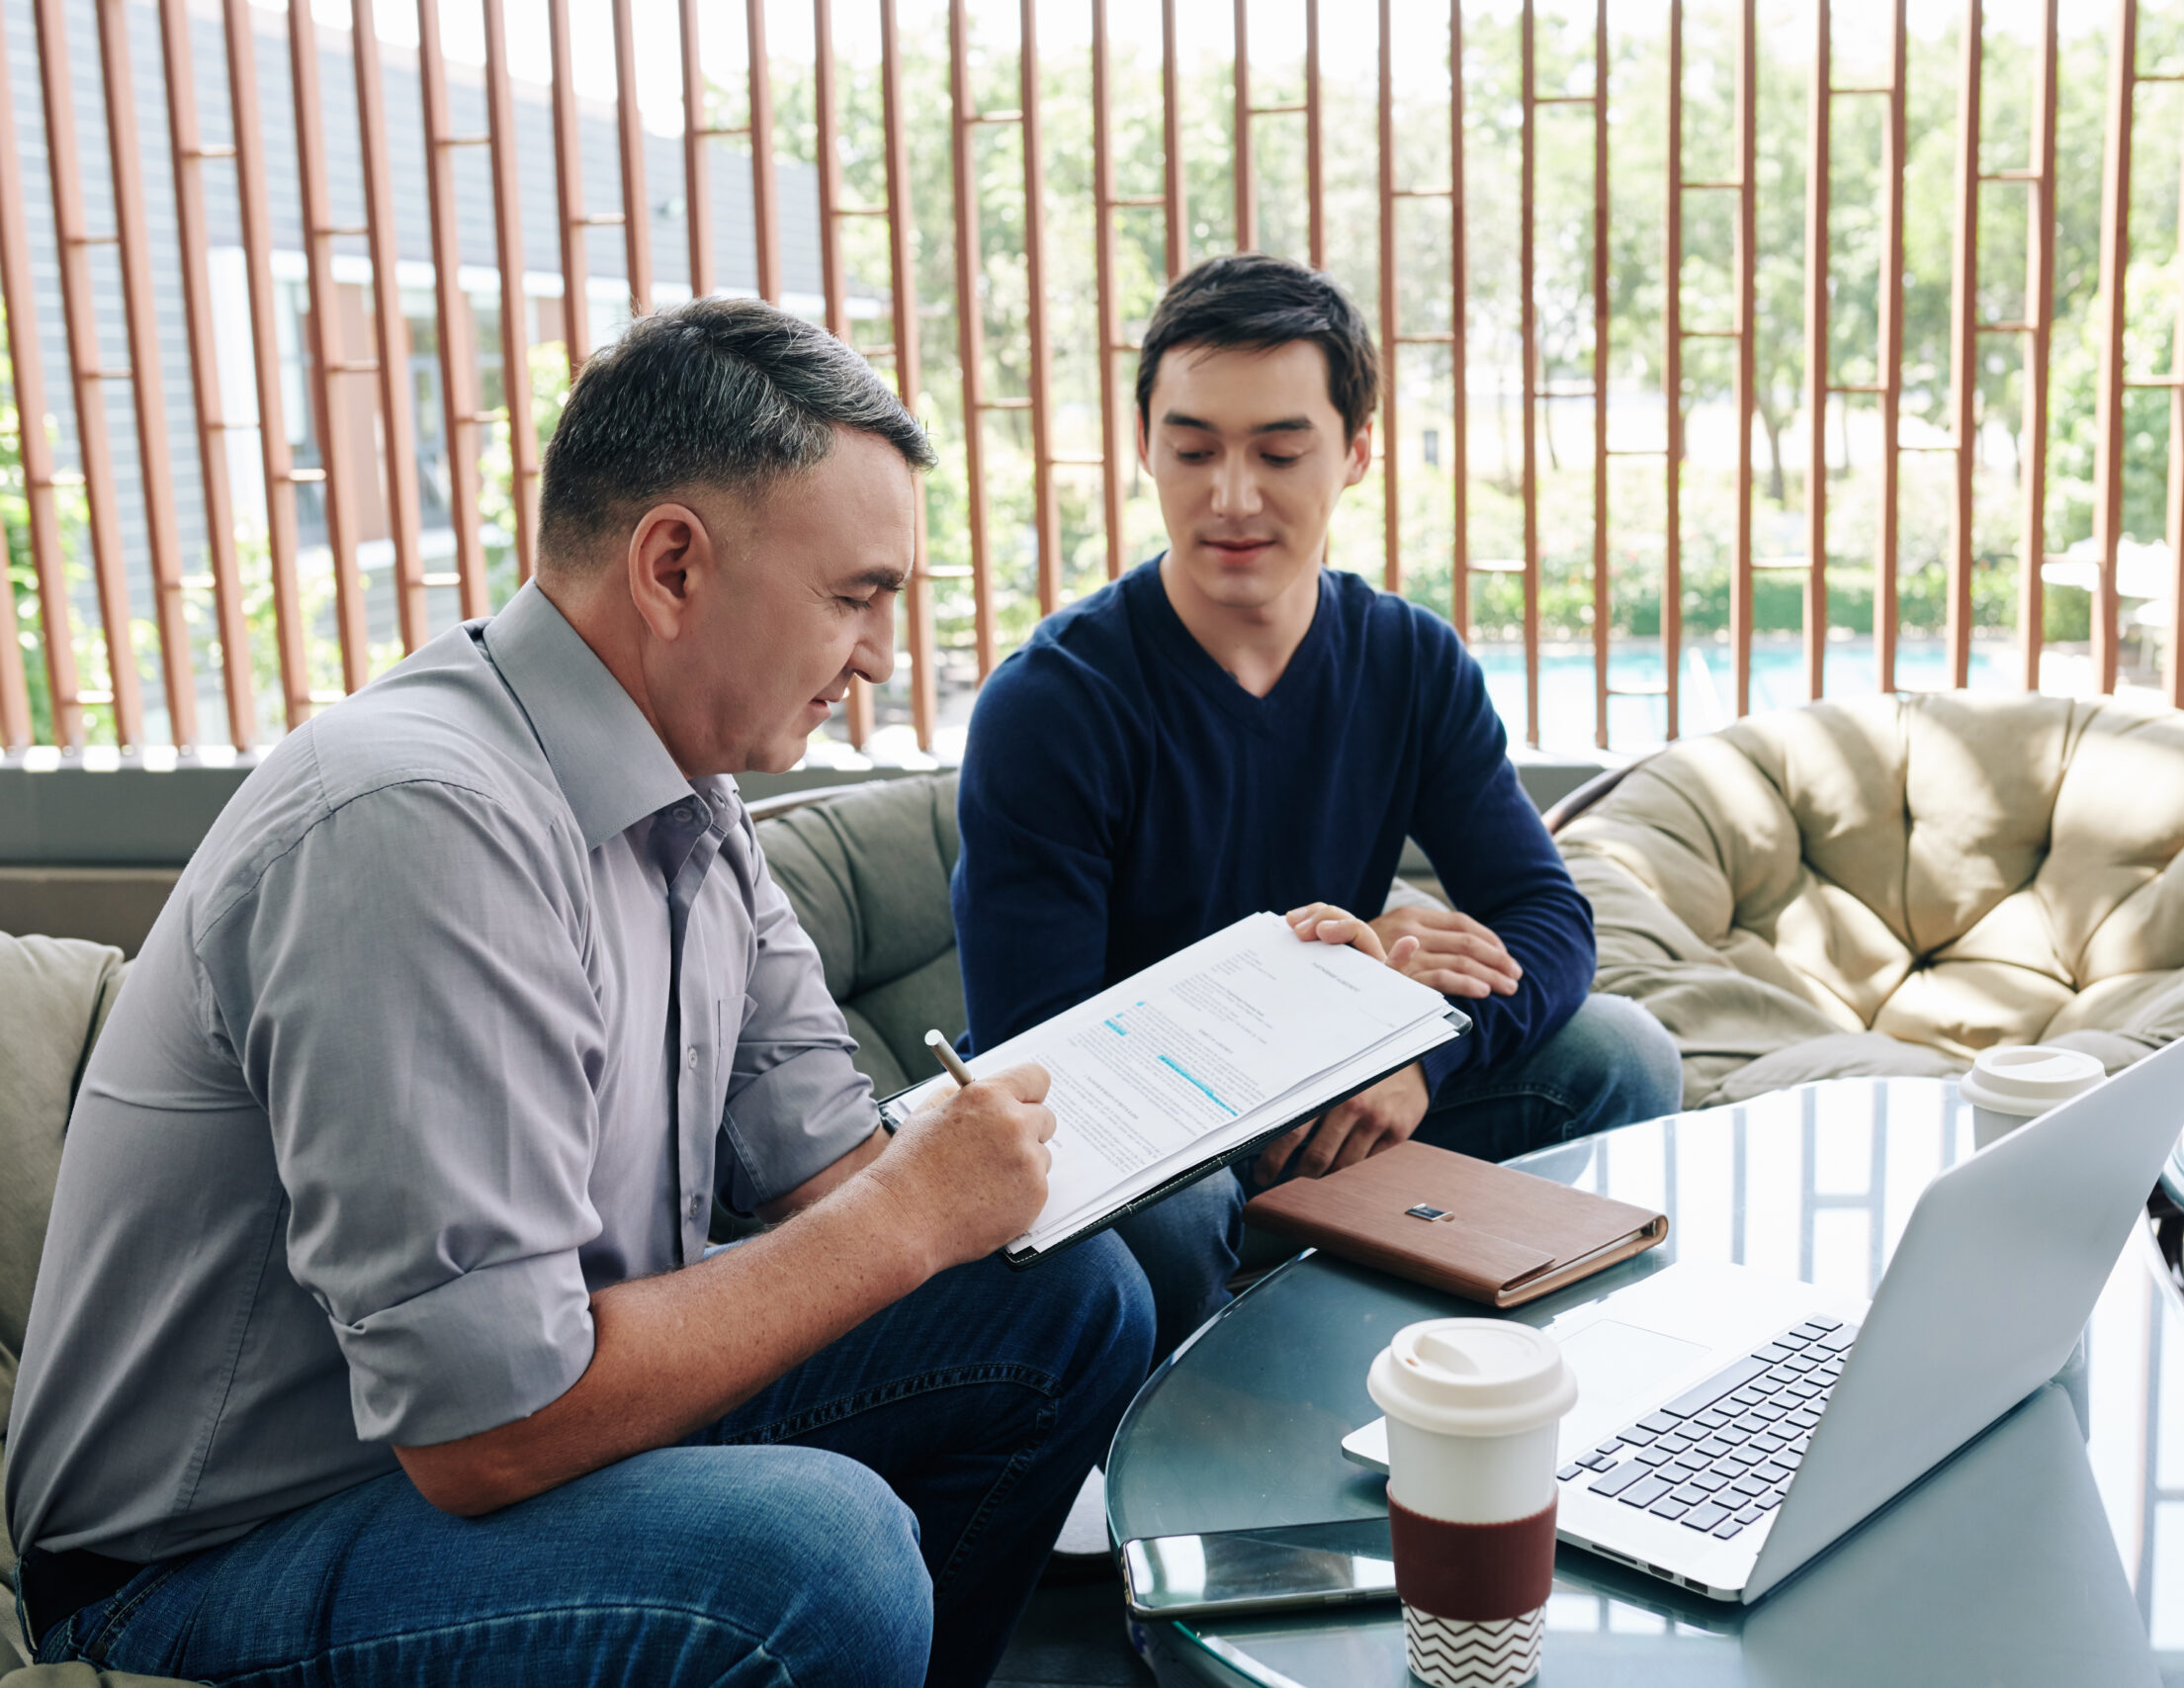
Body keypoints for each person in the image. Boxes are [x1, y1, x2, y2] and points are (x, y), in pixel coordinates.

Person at [6, 299, 1153, 1688]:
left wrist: (1021, 1172)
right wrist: (915, 1208)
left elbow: (825, 1161)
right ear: (673, 564)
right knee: (816, 1552)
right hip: (215, 1557)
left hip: (482, 1441)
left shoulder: (694, 796)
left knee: (1072, 1294)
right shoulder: (416, 817)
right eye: (853, 597)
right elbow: (490, 1427)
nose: (877, 659)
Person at [953, 252, 1683, 1368]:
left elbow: (1547, 920)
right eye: (1191, 450)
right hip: (1131, 1150)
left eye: (1280, 451)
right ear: (1143, 445)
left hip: (1324, 1105)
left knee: (1621, 1053)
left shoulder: (1407, 661)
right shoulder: (1053, 704)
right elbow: (1038, 1043)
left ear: (1355, 453)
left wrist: (1415, 1056)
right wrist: (1339, 996)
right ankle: (1200, 1470)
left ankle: (1512, 1391)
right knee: (1173, 1210)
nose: (1231, 495)